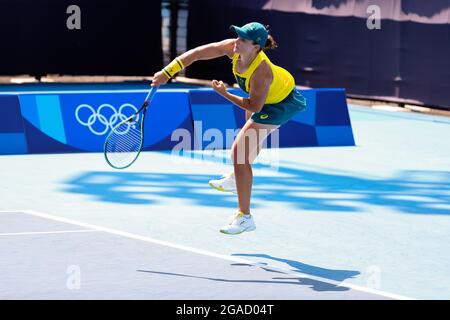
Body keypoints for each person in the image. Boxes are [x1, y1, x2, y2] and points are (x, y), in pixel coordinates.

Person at [152, 22, 306, 235]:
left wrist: (224, 94)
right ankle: (237, 177)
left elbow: (254, 106)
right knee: (248, 143)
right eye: (238, 36)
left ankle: (245, 217)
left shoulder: (261, 72)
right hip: (266, 96)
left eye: (243, 39)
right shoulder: (232, 48)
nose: (237, 41)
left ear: (256, 47)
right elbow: (197, 53)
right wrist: (167, 72)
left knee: (239, 152)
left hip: (281, 103)